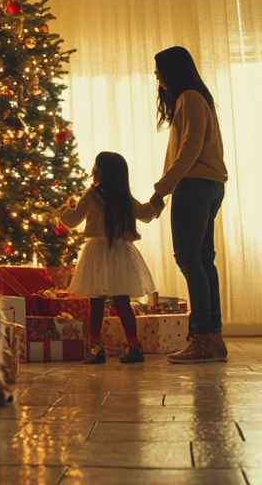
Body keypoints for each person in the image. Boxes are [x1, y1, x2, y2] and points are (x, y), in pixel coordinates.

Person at [148, 46, 229, 363]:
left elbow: (189, 150)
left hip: (194, 185)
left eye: (158, 69)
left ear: (172, 70)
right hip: (208, 185)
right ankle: (213, 339)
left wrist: (162, 190)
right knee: (203, 261)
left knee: (190, 261)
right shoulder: (195, 98)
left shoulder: (190, 98)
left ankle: (203, 338)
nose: (156, 75)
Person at [58, 151, 158, 365]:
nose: (93, 170)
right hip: (121, 254)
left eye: (97, 166)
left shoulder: (92, 196)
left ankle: (96, 348)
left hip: (97, 253)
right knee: (122, 301)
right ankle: (134, 346)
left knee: (96, 302)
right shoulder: (124, 198)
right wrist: (158, 201)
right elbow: (146, 214)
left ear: (104, 172)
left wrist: (64, 208)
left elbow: (73, 220)